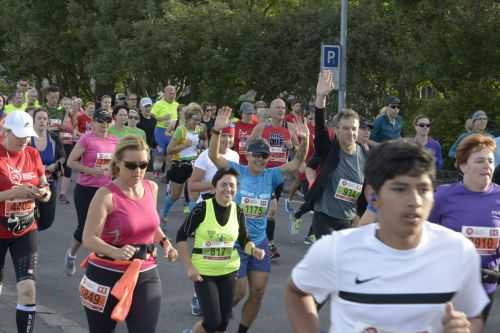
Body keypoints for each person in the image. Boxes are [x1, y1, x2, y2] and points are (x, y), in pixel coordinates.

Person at [285, 140, 489, 333]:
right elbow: (298, 292)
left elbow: (473, 316)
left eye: (423, 189)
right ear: (373, 196)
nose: (415, 201)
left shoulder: (458, 251)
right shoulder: (337, 248)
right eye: (400, 189)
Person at [209, 106, 309, 333]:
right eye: (257, 155)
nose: (261, 159)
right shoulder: (237, 171)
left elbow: (295, 164)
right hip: (235, 242)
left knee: (259, 291)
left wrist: (305, 141)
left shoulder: (271, 175)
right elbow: (215, 157)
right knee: (238, 292)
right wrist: (216, 131)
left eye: (265, 156)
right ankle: (213, 321)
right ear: (248, 155)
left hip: (260, 242)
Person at [80, 135, 177, 333]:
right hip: (106, 274)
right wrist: (115, 252)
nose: (139, 171)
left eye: (143, 164)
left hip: (145, 272)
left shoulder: (151, 187)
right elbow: (88, 238)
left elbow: (150, 225)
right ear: (117, 164)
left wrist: (165, 242)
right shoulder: (106, 195)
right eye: (131, 165)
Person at [177, 168, 265, 333]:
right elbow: (181, 237)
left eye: (232, 185)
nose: (228, 189)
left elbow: (244, 240)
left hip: (228, 271)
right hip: (204, 272)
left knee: (223, 322)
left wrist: (254, 250)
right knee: (212, 321)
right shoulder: (201, 209)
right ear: (214, 186)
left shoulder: (238, 211)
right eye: (223, 184)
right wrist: (189, 266)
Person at [429, 134, 500, 322]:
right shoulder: (443, 196)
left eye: (491, 161)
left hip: (487, 290)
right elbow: (423, 235)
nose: (487, 165)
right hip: (449, 288)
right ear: (463, 166)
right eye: (480, 160)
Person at [295, 71, 367, 239]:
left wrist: (360, 215)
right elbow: (320, 129)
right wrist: (320, 99)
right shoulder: (329, 150)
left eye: (354, 129)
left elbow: (366, 188)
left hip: (348, 220)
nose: (351, 133)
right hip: (325, 218)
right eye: (346, 128)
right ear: (336, 131)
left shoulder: (363, 153)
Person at [0, 111, 51, 333]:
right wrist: (10, 194)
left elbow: (45, 186)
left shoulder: (32, 153)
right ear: (6, 132)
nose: (25, 140)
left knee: (29, 289)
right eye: (20, 135)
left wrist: (43, 194)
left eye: (27, 135)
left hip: (26, 228)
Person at [187, 125, 239, 316]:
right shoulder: (204, 157)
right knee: (205, 254)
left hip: (226, 211)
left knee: (221, 254)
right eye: (223, 136)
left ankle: (216, 294)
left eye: (229, 137)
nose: (226, 140)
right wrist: (216, 184)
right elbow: (192, 185)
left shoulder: (235, 156)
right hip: (206, 209)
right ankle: (197, 294)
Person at [65, 108, 118, 276]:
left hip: (106, 190)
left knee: (104, 228)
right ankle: (71, 255)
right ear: (93, 122)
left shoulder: (115, 141)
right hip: (86, 189)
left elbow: (116, 165)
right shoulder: (86, 139)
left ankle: (96, 262)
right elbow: (71, 162)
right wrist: (90, 170)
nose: (104, 125)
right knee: (84, 228)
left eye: (108, 121)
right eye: (101, 121)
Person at [250, 98, 298, 259]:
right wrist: (260, 145)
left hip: (279, 176)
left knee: (266, 211)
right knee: (271, 209)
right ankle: (268, 243)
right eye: (277, 107)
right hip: (263, 174)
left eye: (283, 108)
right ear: (270, 111)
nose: (281, 110)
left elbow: (298, 153)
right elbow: (247, 148)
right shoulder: (261, 128)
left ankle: (255, 238)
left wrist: (292, 147)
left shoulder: (290, 128)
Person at [161, 103, 204, 223]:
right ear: (188, 118)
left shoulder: (198, 129)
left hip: (193, 165)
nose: (197, 122)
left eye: (199, 120)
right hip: (179, 165)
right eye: (194, 119)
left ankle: (191, 223)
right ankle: (162, 215)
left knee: (194, 195)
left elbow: (197, 145)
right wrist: (184, 145)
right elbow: (169, 150)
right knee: (175, 195)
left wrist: (199, 150)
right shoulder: (181, 130)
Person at [31, 108, 66, 231]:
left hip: (49, 184)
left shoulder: (54, 137)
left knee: (47, 220)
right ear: (33, 121)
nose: (42, 121)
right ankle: (30, 241)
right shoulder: (27, 139)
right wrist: (43, 168)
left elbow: (63, 157)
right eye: (39, 118)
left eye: (44, 119)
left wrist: (56, 164)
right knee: (30, 219)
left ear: (48, 122)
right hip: (31, 186)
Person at [151, 85, 179, 170]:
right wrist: (162, 118)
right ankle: (156, 172)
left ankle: (167, 175)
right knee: (160, 153)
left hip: (173, 131)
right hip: (160, 130)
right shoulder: (158, 103)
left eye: (174, 93)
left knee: (171, 153)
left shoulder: (177, 104)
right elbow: (152, 116)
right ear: (165, 94)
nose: (172, 95)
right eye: (170, 93)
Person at [57, 97, 78, 204]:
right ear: (61, 104)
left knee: (67, 167)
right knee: (55, 166)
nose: (66, 106)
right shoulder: (56, 115)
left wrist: (76, 136)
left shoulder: (72, 117)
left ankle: (62, 194)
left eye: (68, 105)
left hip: (68, 144)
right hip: (57, 144)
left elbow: (74, 132)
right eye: (64, 104)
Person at [137, 97, 157, 172]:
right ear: (141, 107)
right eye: (146, 106)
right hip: (139, 149)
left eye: (149, 106)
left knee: (149, 173)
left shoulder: (153, 119)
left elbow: (153, 134)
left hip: (150, 150)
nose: (148, 108)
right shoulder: (136, 119)